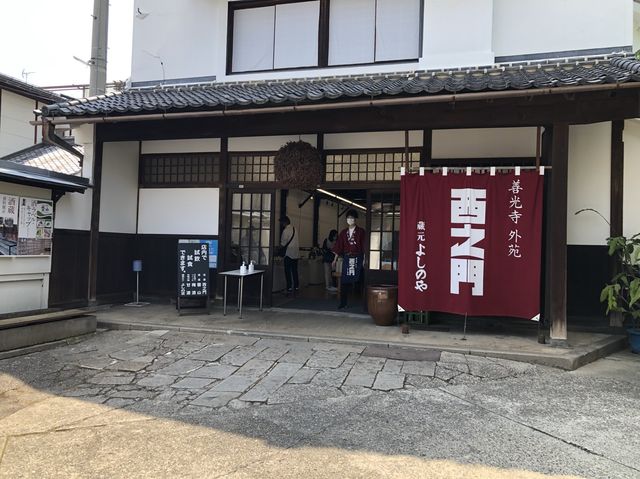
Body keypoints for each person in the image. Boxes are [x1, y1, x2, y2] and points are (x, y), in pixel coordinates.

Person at [332, 210, 366, 309]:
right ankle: (343, 303)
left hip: (358, 258)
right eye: (348, 218)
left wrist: (364, 259)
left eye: (352, 218)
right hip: (347, 258)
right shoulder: (343, 232)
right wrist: (335, 260)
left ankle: (364, 303)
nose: (350, 220)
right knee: (344, 281)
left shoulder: (361, 231)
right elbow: (339, 247)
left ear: (355, 219)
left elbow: (364, 246)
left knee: (360, 279)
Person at [280, 216, 299, 294]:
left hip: (288, 254)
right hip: (296, 253)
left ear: (285, 222)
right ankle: (296, 286)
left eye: (281, 222)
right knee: (295, 270)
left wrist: (278, 249)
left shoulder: (285, 231)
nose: (281, 224)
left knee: (287, 271)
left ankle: (289, 287)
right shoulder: (295, 229)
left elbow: (283, 244)